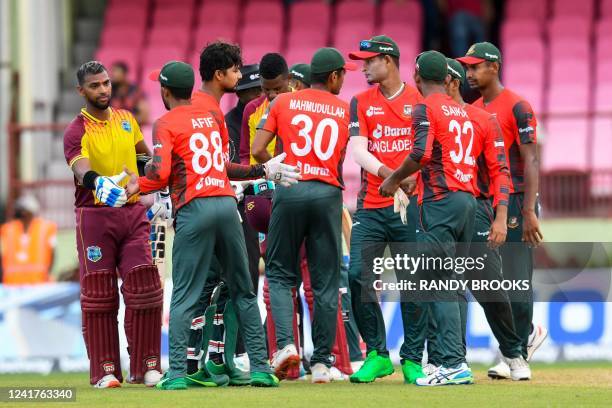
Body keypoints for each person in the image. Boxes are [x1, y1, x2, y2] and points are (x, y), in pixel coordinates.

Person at [128, 52, 299, 389]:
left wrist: (137, 187)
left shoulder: (165, 123)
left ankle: (177, 374)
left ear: (164, 93)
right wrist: (262, 170)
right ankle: (261, 370)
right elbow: (223, 166)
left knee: (184, 297)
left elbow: (160, 174)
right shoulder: (212, 114)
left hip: (195, 208)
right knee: (244, 291)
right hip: (226, 205)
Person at [252, 47, 356, 383]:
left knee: (281, 274)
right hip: (327, 192)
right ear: (334, 76)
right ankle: (323, 364)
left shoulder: (283, 102)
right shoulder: (344, 109)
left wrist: (278, 169)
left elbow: (256, 151)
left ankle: (285, 346)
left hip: (291, 188)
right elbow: (340, 158)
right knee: (326, 280)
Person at [379, 50, 477, 386]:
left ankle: (451, 363)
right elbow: (442, 156)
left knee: (436, 283)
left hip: (442, 202)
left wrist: (392, 179)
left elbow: (420, 152)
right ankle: (450, 360)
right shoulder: (460, 110)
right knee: (450, 283)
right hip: (467, 199)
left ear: (418, 77)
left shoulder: (426, 105)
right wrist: (413, 177)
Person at [63, 60, 162, 388]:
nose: (104, 89)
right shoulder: (76, 130)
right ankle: (104, 370)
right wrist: (97, 182)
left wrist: (142, 178)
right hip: (94, 217)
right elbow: (80, 168)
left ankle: (146, 365)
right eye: (95, 85)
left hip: (133, 214)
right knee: (99, 294)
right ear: (82, 91)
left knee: (145, 286)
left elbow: (144, 158)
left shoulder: (126, 119)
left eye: (105, 83)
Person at [457, 41, 546, 378]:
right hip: (486, 203)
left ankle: (518, 352)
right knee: (488, 280)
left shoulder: (518, 106)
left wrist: (528, 211)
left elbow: (531, 159)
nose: (469, 73)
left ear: (494, 67)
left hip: (517, 201)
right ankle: (520, 341)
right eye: (467, 68)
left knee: (517, 280)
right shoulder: (474, 109)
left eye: (475, 66)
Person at [344, 35, 427, 384]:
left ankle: (412, 358)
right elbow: (358, 151)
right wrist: (391, 177)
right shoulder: (360, 101)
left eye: (370, 60)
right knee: (357, 277)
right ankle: (377, 353)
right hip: (373, 204)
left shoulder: (420, 101)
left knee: (414, 282)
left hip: (412, 207)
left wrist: (408, 177)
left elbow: (428, 151)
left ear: (389, 60)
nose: (364, 66)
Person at [443, 58, 531, 380]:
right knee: (445, 285)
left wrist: (501, 215)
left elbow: (500, 170)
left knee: (488, 285)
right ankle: (453, 360)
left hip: (477, 207)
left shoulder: (483, 118)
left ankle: (513, 352)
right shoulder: (427, 116)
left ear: (450, 83)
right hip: (437, 209)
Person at [240, 53, 291, 165]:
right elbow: (245, 154)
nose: (272, 95)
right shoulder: (252, 109)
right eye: (266, 89)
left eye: (277, 89)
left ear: (289, 79)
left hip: (292, 178)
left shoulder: (302, 105)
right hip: (260, 179)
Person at [0, 195, 57, 285]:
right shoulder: (7, 230)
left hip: (38, 282)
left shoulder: (46, 228)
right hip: (12, 285)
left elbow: (53, 252)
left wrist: (48, 274)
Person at [226, 64, 262, 164]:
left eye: (263, 89)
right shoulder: (229, 125)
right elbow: (234, 165)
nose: (260, 94)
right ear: (239, 93)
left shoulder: (271, 114)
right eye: (254, 90)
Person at [109, 61, 150, 125]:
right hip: (112, 128)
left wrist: (125, 121)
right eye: (112, 71)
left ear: (124, 74)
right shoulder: (108, 91)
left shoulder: (135, 91)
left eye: (116, 71)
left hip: (131, 127)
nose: (113, 74)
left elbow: (144, 116)